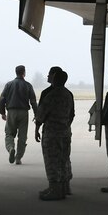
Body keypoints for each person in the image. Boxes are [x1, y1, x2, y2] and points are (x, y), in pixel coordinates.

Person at [35, 68, 74, 201]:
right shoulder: (68, 94)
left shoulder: (51, 95)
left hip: (52, 133)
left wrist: (37, 127)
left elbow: (41, 114)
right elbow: (71, 114)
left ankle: (55, 189)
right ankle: (62, 188)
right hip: (65, 132)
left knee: (52, 161)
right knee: (64, 159)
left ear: (55, 79)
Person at [0, 65, 38, 165]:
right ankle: (18, 158)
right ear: (24, 73)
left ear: (16, 72)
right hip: (23, 113)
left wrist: (2, 112)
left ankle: (11, 148)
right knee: (22, 136)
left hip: (11, 112)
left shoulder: (9, 85)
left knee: (9, 133)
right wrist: (36, 114)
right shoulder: (28, 85)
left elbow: (2, 99)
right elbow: (33, 101)